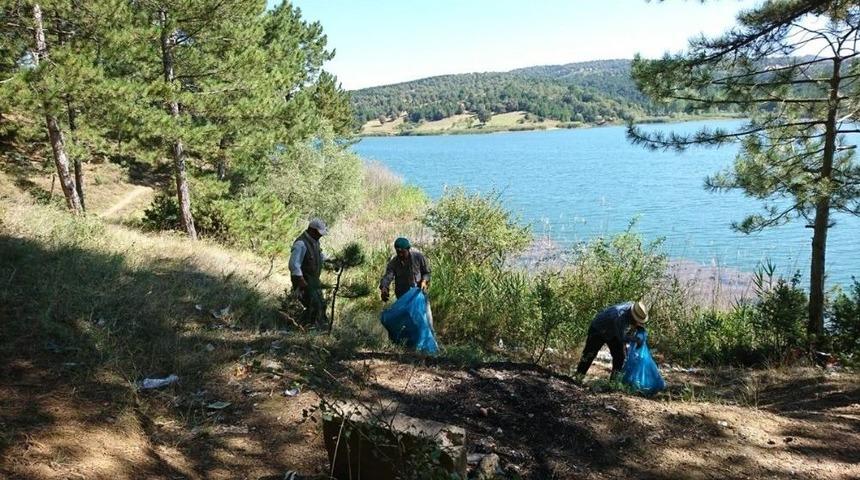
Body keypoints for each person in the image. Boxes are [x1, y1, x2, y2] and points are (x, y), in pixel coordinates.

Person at [575, 300, 649, 378]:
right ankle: (578, 378)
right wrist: (635, 339)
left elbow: (625, 330)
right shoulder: (619, 315)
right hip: (598, 330)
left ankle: (613, 382)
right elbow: (621, 337)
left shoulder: (631, 309)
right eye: (637, 320)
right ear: (633, 315)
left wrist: (634, 329)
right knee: (589, 354)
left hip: (613, 331)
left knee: (620, 357)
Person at [289, 218, 328, 329]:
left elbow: (320, 256)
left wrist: (332, 261)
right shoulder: (301, 244)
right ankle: (307, 328)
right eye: (318, 233)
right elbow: (293, 265)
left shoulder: (315, 242)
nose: (320, 236)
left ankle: (318, 328)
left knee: (321, 305)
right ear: (312, 230)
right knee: (313, 305)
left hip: (314, 280)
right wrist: (301, 281)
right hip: (304, 281)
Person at [379, 237, 431, 302]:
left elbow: (427, 272)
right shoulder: (393, 263)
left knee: (422, 311)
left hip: (418, 294)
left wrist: (424, 281)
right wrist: (384, 288)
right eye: (398, 252)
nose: (400, 254)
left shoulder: (418, 258)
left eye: (403, 252)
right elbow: (387, 277)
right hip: (402, 296)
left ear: (408, 249)